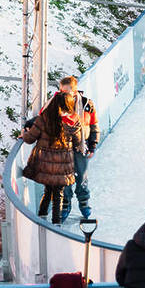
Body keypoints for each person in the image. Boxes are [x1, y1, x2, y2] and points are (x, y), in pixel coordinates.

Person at [21, 91, 81, 224]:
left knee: (48, 191)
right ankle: (56, 225)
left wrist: (24, 133)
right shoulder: (73, 122)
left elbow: (29, 139)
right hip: (63, 166)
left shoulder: (43, 120)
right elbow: (77, 142)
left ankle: (41, 220)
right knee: (58, 196)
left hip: (45, 165)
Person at [58, 76, 99, 222]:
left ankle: (84, 202)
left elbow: (94, 125)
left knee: (82, 176)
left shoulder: (87, 104)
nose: (63, 95)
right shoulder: (56, 105)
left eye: (66, 92)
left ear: (75, 92)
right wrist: (29, 126)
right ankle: (65, 203)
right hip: (63, 146)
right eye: (61, 91)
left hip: (81, 146)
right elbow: (43, 119)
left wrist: (93, 144)